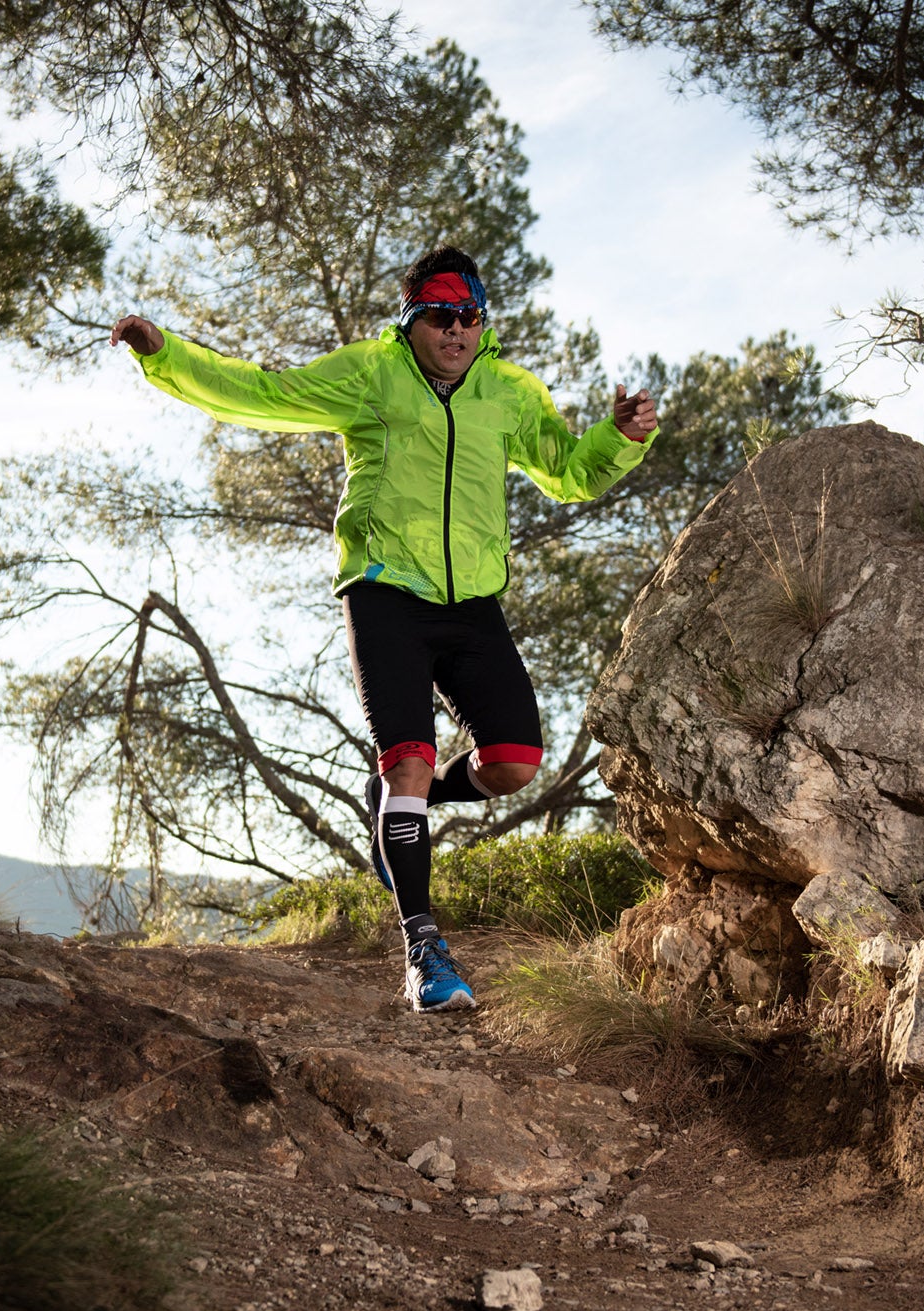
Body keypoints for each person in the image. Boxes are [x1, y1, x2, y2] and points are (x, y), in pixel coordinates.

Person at [111, 245, 658, 1011]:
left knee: (514, 761)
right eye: (442, 315)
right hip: (384, 595)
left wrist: (622, 436)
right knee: (406, 757)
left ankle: (409, 802)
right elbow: (263, 393)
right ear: (414, 319)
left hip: (471, 604)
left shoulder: (508, 390)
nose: (459, 330)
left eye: (471, 316)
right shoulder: (372, 372)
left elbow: (568, 471)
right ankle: (424, 951)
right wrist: (167, 357)